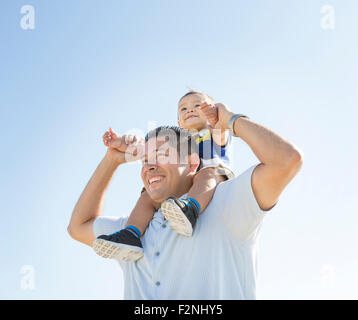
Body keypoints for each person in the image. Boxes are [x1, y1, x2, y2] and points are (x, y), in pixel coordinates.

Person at [67, 103, 303, 299]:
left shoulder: (226, 204)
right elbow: (78, 227)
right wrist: (112, 160)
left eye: (161, 155)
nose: (149, 166)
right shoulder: (131, 231)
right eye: (145, 160)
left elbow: (286, 161)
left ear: (191, 163)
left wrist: (231, 120)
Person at [92, 91, 237, 261]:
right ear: (179, 123)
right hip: (187, 181)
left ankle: (190, 209)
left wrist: (220, 115)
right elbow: (150, 150)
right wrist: (122, 143)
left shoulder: (213, 131)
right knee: (146, 196)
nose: (189, 110)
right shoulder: (179, 139)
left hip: (215, 178)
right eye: (183, 109)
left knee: (207, 173)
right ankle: (131, 234)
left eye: (198, 106)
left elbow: (221, 128)